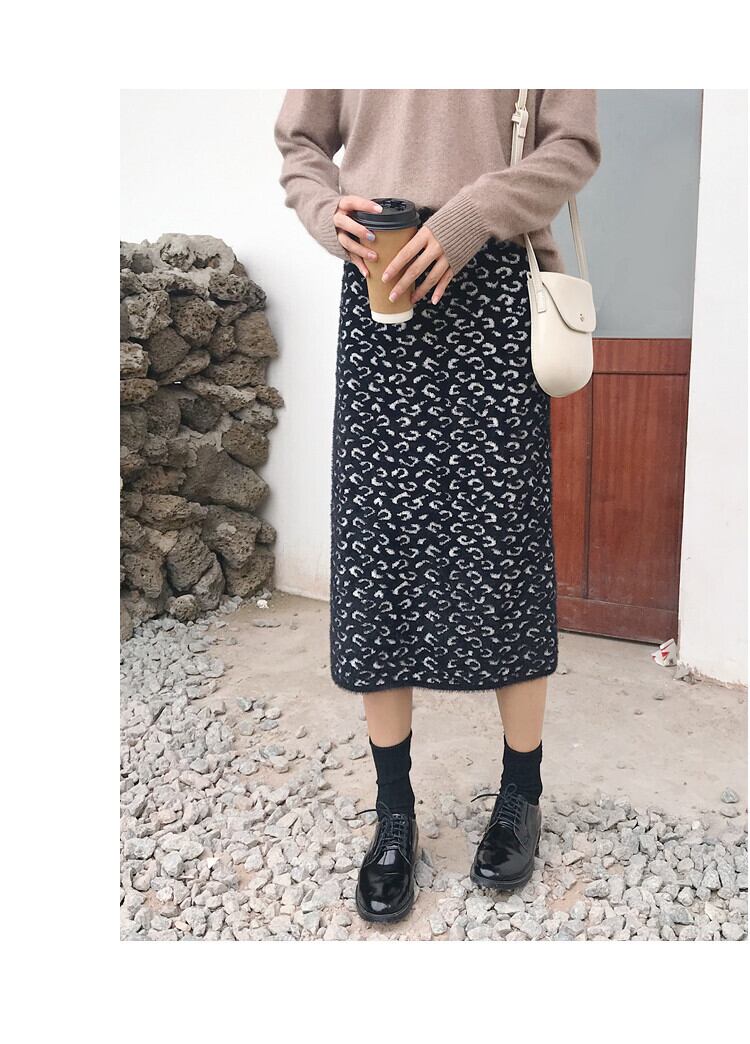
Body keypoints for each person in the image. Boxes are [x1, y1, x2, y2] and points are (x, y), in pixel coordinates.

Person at [274, 89, 601, 924]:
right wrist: (326, 214)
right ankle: (395, 813)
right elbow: (301, 143)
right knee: (379, 552)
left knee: (504, 551)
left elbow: (571, 146)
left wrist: (471, 216)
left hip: (494, 288)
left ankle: (521, 793)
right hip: (380, 284)